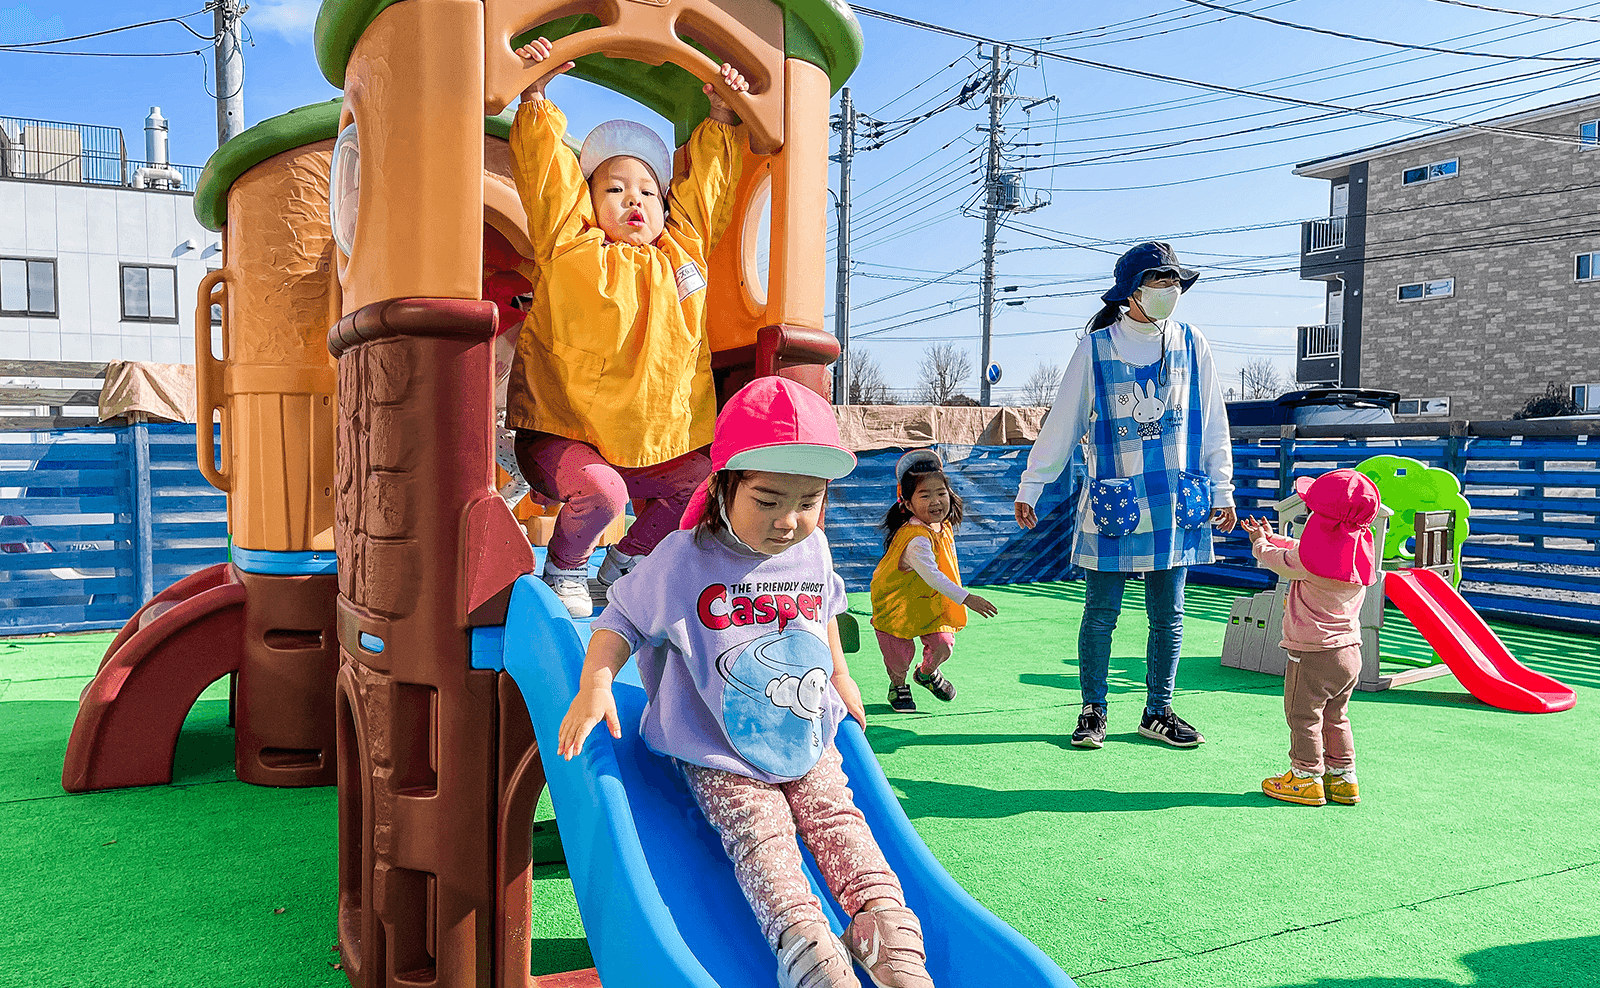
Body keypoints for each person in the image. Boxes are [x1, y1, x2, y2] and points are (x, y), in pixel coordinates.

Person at [557, 378, 935, 988]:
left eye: (809, 500)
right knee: (763, 839)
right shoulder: (686, 558)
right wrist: (596, 682)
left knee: (841, 821)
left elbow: (826, 615)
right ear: (725, 484)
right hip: (717, 748)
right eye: (767, 499)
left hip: (804, 733)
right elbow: (620, 617)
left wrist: (840, 677)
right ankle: (806, 946)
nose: (789, 520)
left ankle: (882, 926)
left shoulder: (813, 550)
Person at [506, 37, 749, 617]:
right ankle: (566, 565)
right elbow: (547, 182)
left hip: (657, 441)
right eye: (613, 189)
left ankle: (626, 562)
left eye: (647, 191)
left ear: (665, 207)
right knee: (604, 492)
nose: (633, 200)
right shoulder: (572, 244)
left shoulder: (683, 252)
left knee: (703, 485)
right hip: (565, 431)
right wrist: (536, 96)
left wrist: (720, 118)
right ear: (588, 201)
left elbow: (708, 196)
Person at [1013, 242, 1237, 750]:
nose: (1170, 291)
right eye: (1159, 282)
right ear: (1130, 293)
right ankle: (1093, 709)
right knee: (1101, 613)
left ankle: (1158, 710)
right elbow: (1063, 422)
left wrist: (1223, 487)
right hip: (1116, 500)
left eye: (1174, 282)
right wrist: (1033, 483)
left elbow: (1213, 422)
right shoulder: (1095, 348)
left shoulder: (1192, 343)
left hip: (1175, 500)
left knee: (1169, 615)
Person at [1242, 469, 1380, 806]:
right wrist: (1274, 537)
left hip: (1313, 653)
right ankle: (1343, 778)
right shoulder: (1354, 557)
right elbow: (1303, 549)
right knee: (1337, 716)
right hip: (1349, 653)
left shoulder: (1309, 562)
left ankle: (1305, 776)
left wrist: (1261, 543)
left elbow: (1280, 560)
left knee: (1303, 716)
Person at [870, 450, 997, 713]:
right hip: (897, 605)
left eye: (940, 493)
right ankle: (898, 684)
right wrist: (968, 598)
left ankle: (927, 673)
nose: (936, 500)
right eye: (924, 495)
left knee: (943, 644)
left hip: (928, 602)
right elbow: (932, 575)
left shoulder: (943, 526)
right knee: (898, 656)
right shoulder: (915, 538)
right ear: (906, 504)